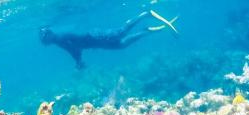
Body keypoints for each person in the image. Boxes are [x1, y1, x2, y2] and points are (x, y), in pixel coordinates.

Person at [39, 11, 177, 69]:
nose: (46, 43)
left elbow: (73, 49)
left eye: (45, 39)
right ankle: (146, 31)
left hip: (96, 37)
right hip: (96, 42)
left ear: (49, 35)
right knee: (121, 44)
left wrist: (78, 61)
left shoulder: (59, 38)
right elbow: (75, 48)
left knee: (121, 33)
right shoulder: (58, 39)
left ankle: (145, 14)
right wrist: (78, 59)